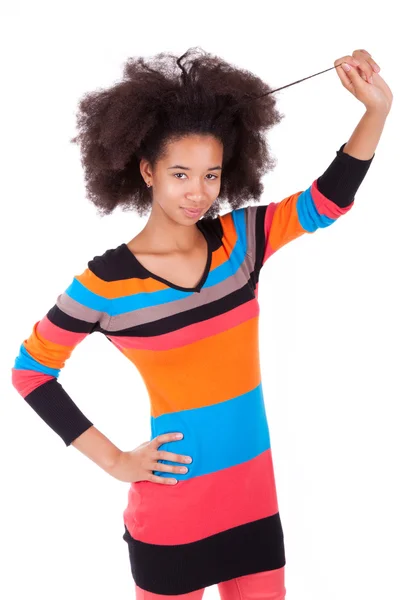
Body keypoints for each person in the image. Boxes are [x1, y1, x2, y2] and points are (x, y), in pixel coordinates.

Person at [11, 47, 391, 599]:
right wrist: (116, 460)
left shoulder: (242, 242)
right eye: (181, 174)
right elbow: (31, 372)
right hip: (173, 517)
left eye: (210, 174)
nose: (199, 192)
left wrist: (375, 111)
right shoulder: (105, 283)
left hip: (255, 503)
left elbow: (325, 203)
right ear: (147, 171)